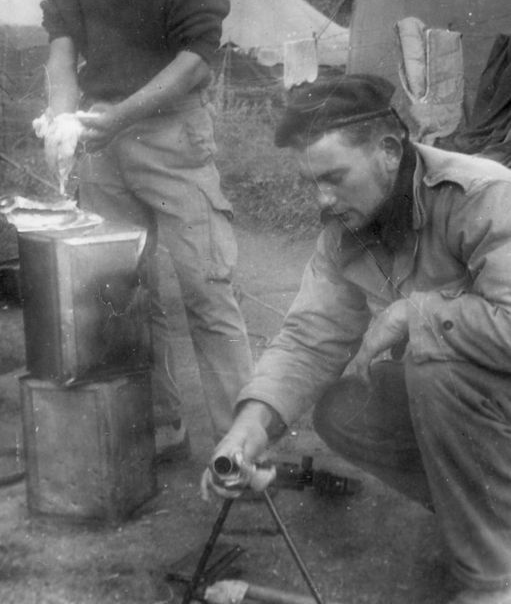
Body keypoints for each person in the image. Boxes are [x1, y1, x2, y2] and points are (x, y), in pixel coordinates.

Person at [202, 73, 511, 604]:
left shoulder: (483, 195)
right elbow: (309, 336)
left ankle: (494, 580)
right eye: (310, 183)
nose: (322, 200)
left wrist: (410, 315)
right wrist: (247, 431)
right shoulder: (347, 228)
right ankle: (489, 520)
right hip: (492, 415)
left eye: (334, 177)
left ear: (389, 150)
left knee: (435, 370)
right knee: (345, 410)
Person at [38, 0, 253, 459]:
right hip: (102, 145)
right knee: (121, 295)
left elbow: (197, 61)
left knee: (207, 292)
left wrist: (123, 114)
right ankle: (159, 430)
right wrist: (62, 124)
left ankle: (242, 448)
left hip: (172, 139)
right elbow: (60, 52)